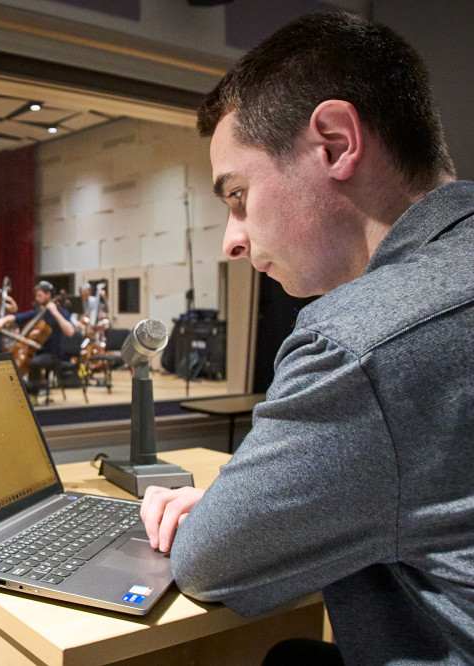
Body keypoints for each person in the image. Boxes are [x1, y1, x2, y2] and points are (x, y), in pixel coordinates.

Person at [139, 12, 472, 665]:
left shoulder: (360, 344)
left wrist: (226, 519)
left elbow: (208, 561)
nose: (232, 241)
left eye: (238, 196)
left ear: (336, 143)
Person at [0, 280, 75, 393]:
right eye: (36, 296)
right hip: (36, 352)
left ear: (48, 295)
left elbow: (70, 332)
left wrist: (54, 312)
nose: (37, 299)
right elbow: (19, 317)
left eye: (40, 296)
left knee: (33, 362)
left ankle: (33, 392)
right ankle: (19, 389)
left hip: (54, 354)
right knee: (14, 358)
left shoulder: (61, 312)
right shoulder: (38, 312)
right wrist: (3, 320)